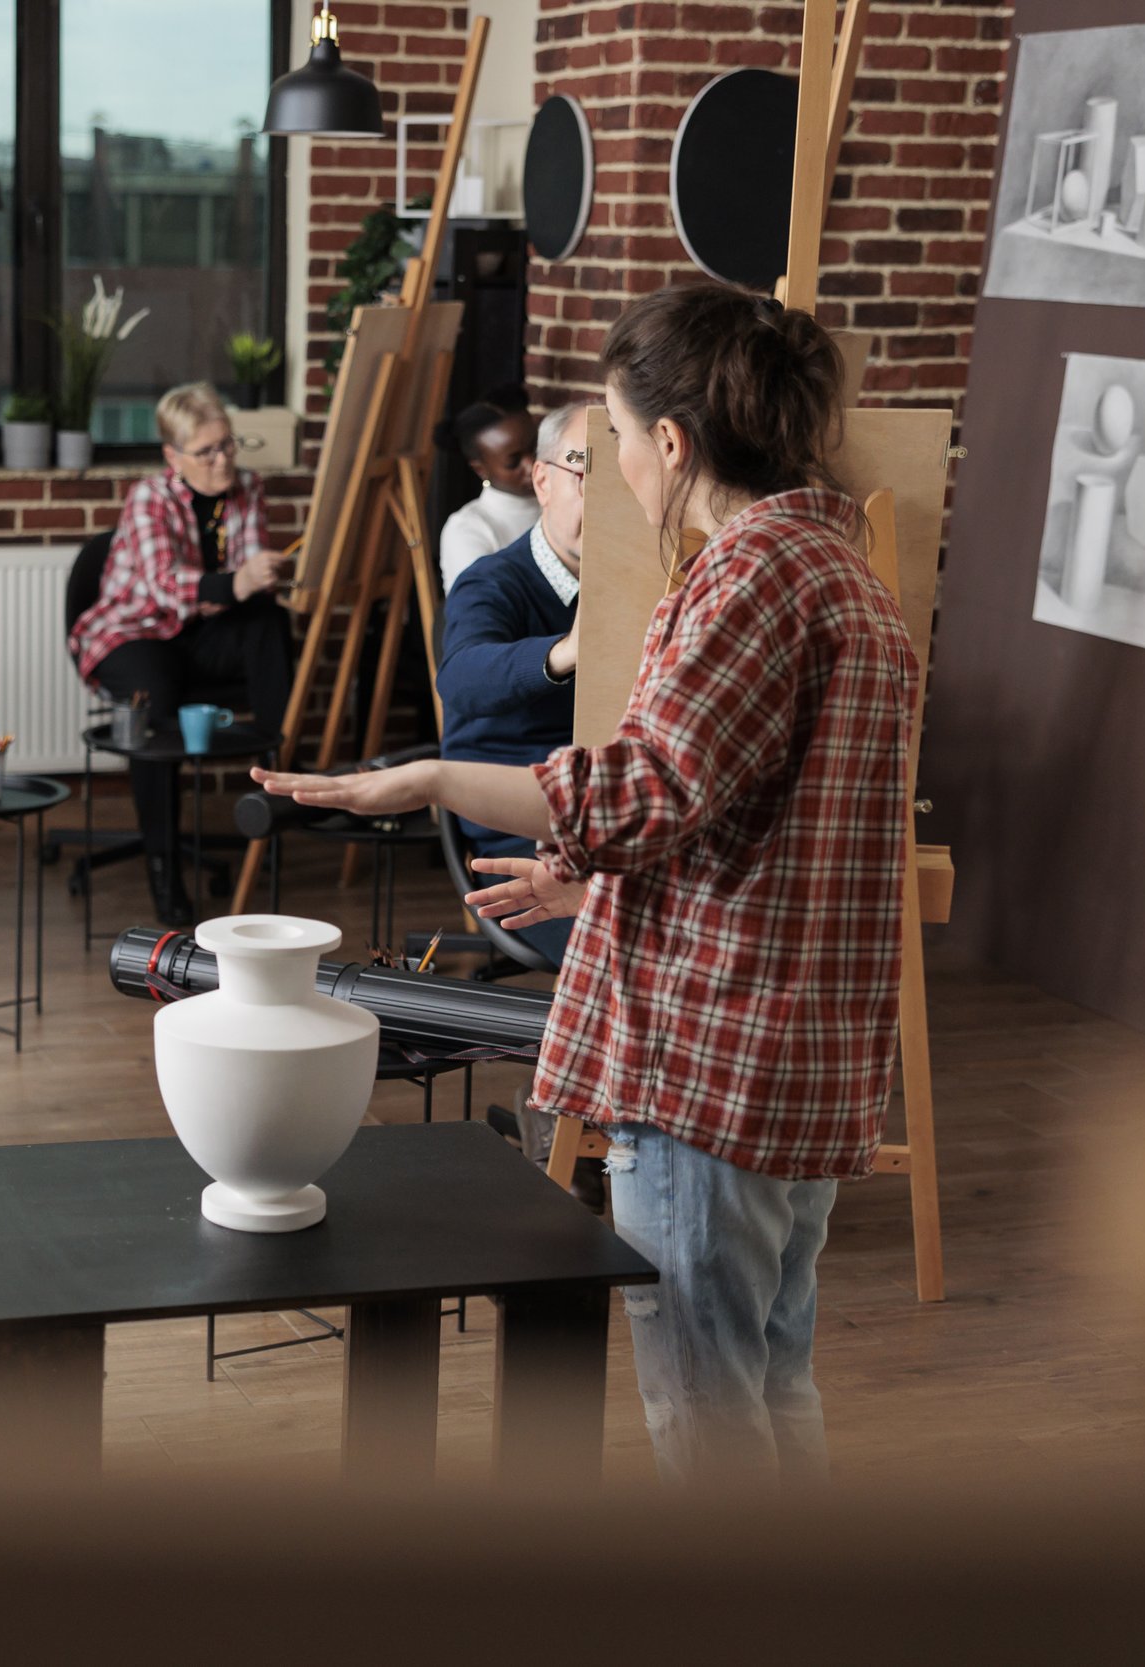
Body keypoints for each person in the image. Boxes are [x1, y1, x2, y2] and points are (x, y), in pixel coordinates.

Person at [254, 283, 916, 1487]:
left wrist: (432, 777)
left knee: (710, 1409)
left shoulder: (746, 579)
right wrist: (592, 888)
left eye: (611, 437)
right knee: (771, 1376)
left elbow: (643, 790)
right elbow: (758, 823)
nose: (611, 464)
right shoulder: (840, 569)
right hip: (798, 1054)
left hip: (713, 1062)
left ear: (672, 442)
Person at [69, 381, 293, 928]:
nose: (223, 460)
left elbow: (245, 589)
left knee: (271, 621)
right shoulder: (150, 496)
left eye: (228, 445)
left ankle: (281, 783)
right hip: (132, 631)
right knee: (156, 700)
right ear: (173, 456)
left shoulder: (248, 487)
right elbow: (166, 588)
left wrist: (260, 580)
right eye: (207, 451)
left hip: (199, 630)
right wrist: (237, 582)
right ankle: (163, 869)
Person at [435, 402, 588, 970]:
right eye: (585, 473)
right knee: (632, 952)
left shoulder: (647, 578)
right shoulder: (492, 579)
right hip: (521, 834)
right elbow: (461, 679)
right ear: (543, 481)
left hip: (613, 815)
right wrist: (563, 652)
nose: (607, 498)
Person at [438, 394, 542, 592]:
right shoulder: (469, 529)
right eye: (513, 461)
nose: (532, 465)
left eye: (535, 447)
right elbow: (482, 611)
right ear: (480, 469)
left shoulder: (564, 501)